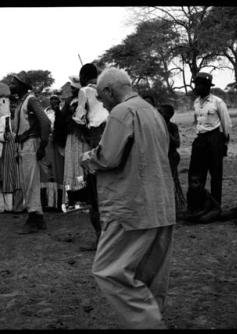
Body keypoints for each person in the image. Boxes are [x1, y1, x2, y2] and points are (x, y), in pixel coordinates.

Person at [81, 67, 175, 329]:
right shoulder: (151, 111)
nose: (102, 102)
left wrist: (87, 158)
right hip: (161, 207)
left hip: (131, 208)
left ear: (109, 91)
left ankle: (149, 325)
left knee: (107, 270)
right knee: (148, 277)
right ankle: (151, 320)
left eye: (101, 97)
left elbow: (108, 157)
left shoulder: (122, 112)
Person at [10, 74, 51, 234]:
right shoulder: (23, 101)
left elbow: (45, 122)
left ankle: (33, 217)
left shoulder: (30, 100)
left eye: (14, 83)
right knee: (28, 181)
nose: (11, 85)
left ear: (23, 86)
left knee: (31, 181)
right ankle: (38, 217)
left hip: (30, 143)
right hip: (24, 144)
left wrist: (42, 145)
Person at [76, 63, 109, 252]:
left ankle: (100, 239)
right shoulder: (107, 88)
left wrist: (85, 131)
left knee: (94, 190)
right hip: (113, 131)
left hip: (97, 136)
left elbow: (79, 117)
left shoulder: (85, 91)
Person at [188, 72, 232, 207]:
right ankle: (198, 204)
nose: (197, 88)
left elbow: (226, 124)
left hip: (215, 139)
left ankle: (215, 205)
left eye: (200, 85)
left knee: (216, 174)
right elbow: (199, 123)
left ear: (207, 87)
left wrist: (224, 144)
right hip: (200, 139)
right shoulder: (196, 102)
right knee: (196, 173)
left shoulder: (217, 102)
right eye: (196, 85)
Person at [62, 75, 90, 212]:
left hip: (82, 138)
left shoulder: (86, 99)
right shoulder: (68, 102)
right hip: (71, 137)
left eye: (73, 88)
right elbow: (62, 120)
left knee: (81, 166)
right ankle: (71, 199)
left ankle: (83, 199)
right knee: (71, 165)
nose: (71, 90)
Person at [158, 104, 186, 214]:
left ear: (168, 116)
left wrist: (166, 131)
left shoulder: (172, 127)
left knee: (172, 180)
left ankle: (175, 206)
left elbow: (177, 143)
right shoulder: (155, 126)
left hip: (171, 156)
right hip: (160, 156)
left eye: (161, 113)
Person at [39, 95, 63, 210]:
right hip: (47, 144)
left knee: (57, 172)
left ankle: (58, 203)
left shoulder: (61, 112)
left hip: (57, 145)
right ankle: (47, 203)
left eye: (56, 100)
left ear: (59, 102)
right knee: (46, 172)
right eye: (52, 100)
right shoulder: (45, 112)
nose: (54, 102)